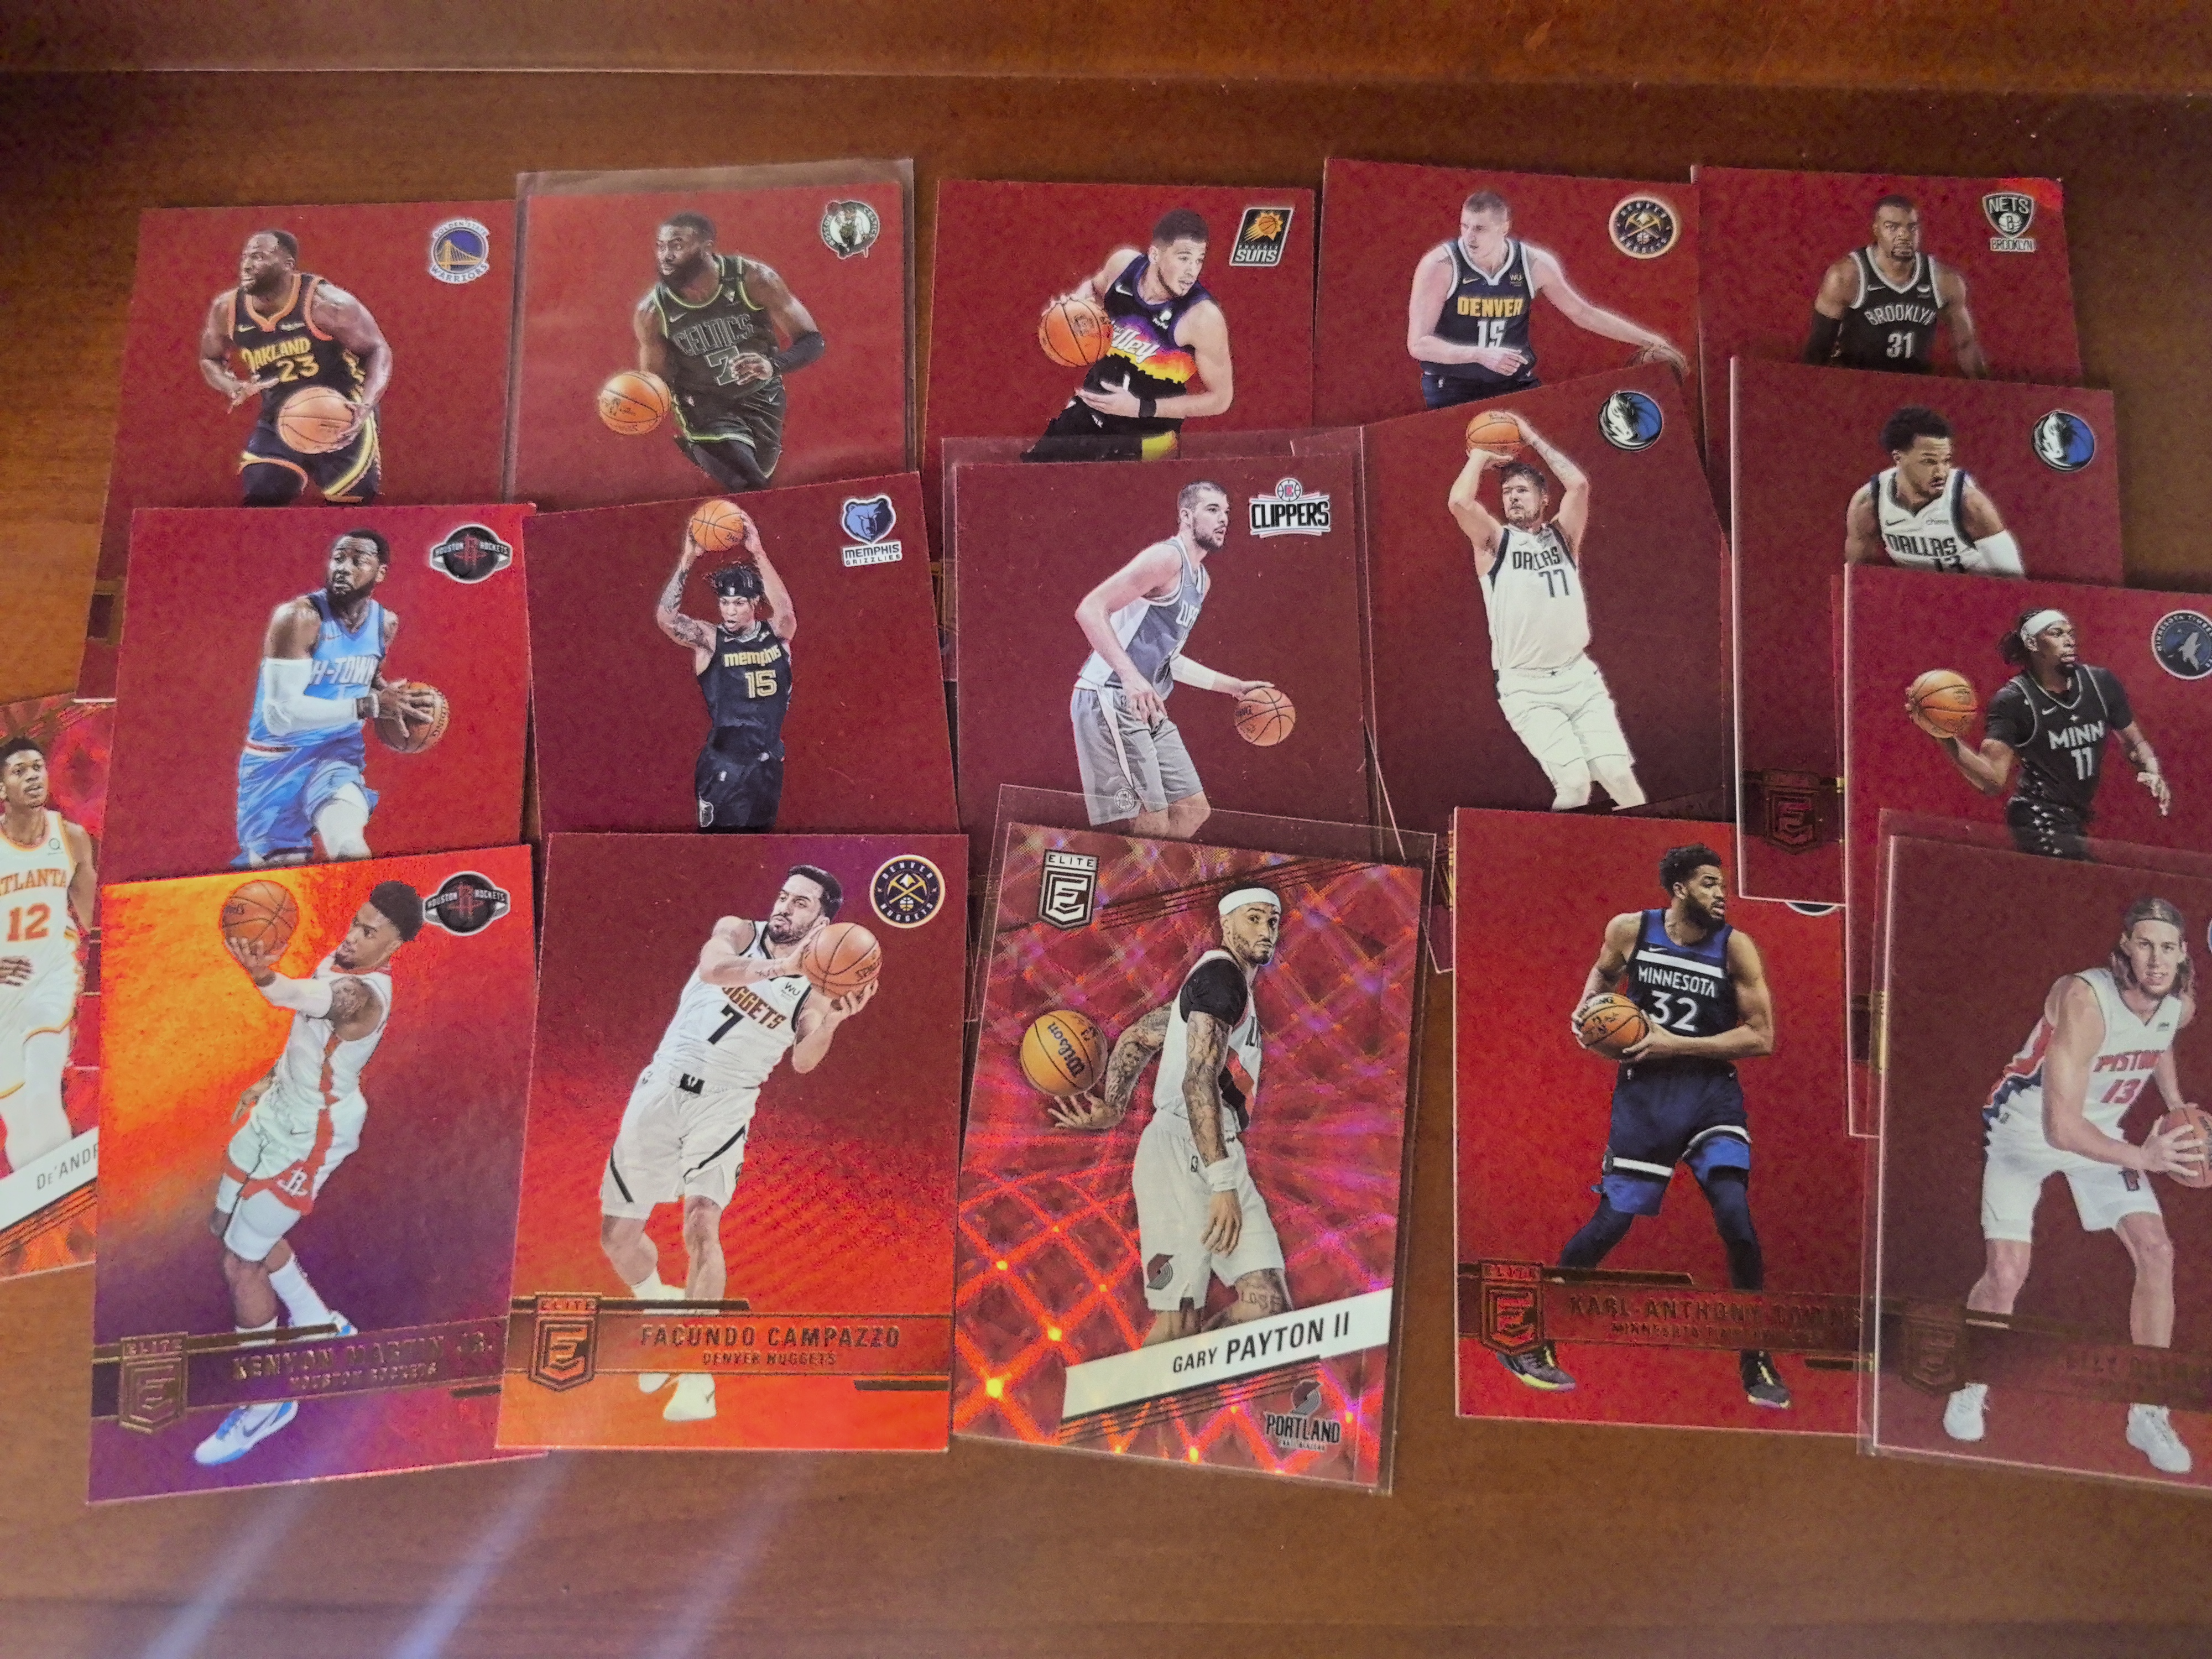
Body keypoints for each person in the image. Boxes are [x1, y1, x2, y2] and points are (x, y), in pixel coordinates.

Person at [1503, 844, 1788, 1407]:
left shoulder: (1735, 947)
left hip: (1709, 1095)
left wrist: (1674, 1044)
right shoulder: (1630, 930)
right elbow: (1603, 973)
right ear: (1679, 888)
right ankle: (1531, 1335)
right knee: (1612, 1222)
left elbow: (1761, 1036)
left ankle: (1756, 1355)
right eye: (1709, 883)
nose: (1721, 894)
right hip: (1646, 1099)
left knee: (1735, 1216)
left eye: (1722, 884)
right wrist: (1589, 1010)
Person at [598, 867, 874, 1423]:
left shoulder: (817, 985)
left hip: (724, 1104)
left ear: (824, 919)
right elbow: (712, 968)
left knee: (701, 1224)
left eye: (801, 903)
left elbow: (803, 1060)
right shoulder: (739, 931)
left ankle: (697, 1375)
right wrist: (780, 966)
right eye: (784, 896)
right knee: (616, 1238)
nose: (785, 907)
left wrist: (833, 1025)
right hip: (662, 1088)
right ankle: (661, 1305)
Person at [1944, 898, 2207, 1474]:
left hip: (2102, 1135)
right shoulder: (2085, 1000)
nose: (2156, 959)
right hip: (2024, 1134)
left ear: (2183, 954)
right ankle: (1970, 1378)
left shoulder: (2178, 1004)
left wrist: (2174, 1103)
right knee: (2006, 1273)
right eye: (2145, 944)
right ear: (2125, 947)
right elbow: (2060, 1129)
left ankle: (2147, 1409)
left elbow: (2161, 1035)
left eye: (2167, 948)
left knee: (2157, 1251)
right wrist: (2145, 1156)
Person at [192, 881, 422, 1465]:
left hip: (312, 1134)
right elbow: (304, 1038)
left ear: (394, 947)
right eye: (355, 922)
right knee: (224, 1222)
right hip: (278, 1110)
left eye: (369, 933)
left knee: (241, 1262)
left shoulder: (362, 996)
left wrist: (263, 975)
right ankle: (318, 1321)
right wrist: (268, 1079)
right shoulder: (340, 958)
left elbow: (301, 998)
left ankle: (268, 1404)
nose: (353, 937)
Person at [1051, 888, 1290, 1347]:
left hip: (1217, 1148)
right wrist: (1222, 1183)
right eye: (1254, 918)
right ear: (1226, 924)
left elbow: (1140, 1036)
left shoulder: (1223, 985)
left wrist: (1114, 1107)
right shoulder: (1221, 978)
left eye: (1273, 921)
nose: (1266, 930)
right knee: (1178, 1322)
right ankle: (1140, 1393)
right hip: (1183, 1154)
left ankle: (1183, 1382)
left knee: (1268, 1306)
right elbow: (1198, 1081)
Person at [1448, 417, 1645, 811]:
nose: (1513, 498)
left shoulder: (1564, 537)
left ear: (1543, 500)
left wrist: (1531, 437)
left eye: (1522, 490)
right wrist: (1481, 455)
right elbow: (1459, 503)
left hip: (1578, 676)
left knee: (1619, 776)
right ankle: (1563, 849)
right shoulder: (1495, 543)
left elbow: (1579, 485)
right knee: (1574, 786)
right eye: (1507, 492)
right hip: (1527, 687)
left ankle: (1654, 843)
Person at [1069, 481, 1272, 839]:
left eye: (1227, 512)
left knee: (1193, 811)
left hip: (1147, 703)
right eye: (1212, 510)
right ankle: (1129, 876)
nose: (1224, 519)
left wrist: (1235, 687)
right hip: (1109, 695)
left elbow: (1170, 660)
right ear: (1186, 516)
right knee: (1151, 822)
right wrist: (1131, 677)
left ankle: (1151, 873)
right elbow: (1090, 609)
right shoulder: (1166, 558)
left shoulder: (1201, 581)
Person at [234, 529, 438, 868]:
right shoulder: (298, 618)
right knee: (281, 879)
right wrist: (371, 706)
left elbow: (365, 679)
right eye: (338, 558)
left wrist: (391, 697)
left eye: (358, 561)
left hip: (335, 752)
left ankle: (363, 893)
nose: (343, 567)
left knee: (347, 841)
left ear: (380, 573)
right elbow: (280, 716)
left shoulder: (384, 623)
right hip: (275, 759)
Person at [1406, 190, 1687, 409]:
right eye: (1464, 226)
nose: (1469, 237)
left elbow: (1582, 313)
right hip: (1454, 384)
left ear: (1504, 228)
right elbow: (1418, 344)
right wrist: (1479, 354)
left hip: (1514, 382)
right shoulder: (1440, 266)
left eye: (1479, 229)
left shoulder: (1534, 263)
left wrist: (1650, 340)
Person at [1923, 609, 2169, 859]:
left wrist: (2152, 768)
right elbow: (1993, 780)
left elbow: (2134, 742)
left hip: (2075, 816)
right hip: (2036, 815)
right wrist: (1945, 737)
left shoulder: (2100, 683)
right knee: (2081, 877)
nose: (2069, 641)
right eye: (2057, 634)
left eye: (2071, 633)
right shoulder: (2014, 701)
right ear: (2032, 643)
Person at [1025, 208, 1234, 462]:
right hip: (1088, 413)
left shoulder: (1202, 318)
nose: (1192, 271)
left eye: (1199, 260)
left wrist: (1141, 408)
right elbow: (1093, 288)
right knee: (1030, 479)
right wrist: (1073, 309)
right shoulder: (1123, 266)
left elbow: (1221, 399)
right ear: (1155, 254)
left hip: (1147, 439)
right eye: (1184, 258)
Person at [637, 212, 825, 492]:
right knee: (748, 483)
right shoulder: (653, 311)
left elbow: (812, 342)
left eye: (677, 245)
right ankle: (701, 447)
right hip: (704, 408)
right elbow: (655, 382)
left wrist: (772, 366)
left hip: (764, 401)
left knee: (758, 485)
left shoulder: (754, 279)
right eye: (661, 246)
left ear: (706, 247)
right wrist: (635, 404)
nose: (666, 256)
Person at [199, 229, 389, 507]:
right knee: (262, 491)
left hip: (341, 409)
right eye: (245, 257)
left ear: (287, 264)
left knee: (351, 501)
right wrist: (232, 385)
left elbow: (377, 350)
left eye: (259, 257)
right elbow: (210, 359)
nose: (247, 265)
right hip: (280, 413)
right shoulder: (226, 309)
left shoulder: (327, 304)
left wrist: (367, 405)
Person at [654, 510, 797, 832]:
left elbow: (786, 612)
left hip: (768, 763)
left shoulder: (777, 635)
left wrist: (757, 552)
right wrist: (687, 560)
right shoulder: (710, 640)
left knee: (760, 844)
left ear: (755, 602)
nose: (730, 611)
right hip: (726, 766)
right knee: (721, 847)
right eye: (725, 603)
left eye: (739, 603)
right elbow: (667, 619)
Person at [0, 738, 96, 1177]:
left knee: (43, 1089)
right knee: (18, 1116)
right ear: (2, 788)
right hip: (4, 993)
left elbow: (95, 918)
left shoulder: (70, 838)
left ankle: (66, 1189)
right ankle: (40, 1200)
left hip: (52, 977)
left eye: (37, 767)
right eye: (19, 771)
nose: (32, 777)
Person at [1804, 195, 1987, 376]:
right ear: (1876, 230)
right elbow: (1818, 349)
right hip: (1858, 381)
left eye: (1912, 227)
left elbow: (1966, 345)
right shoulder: (1846, 277)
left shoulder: (1944, 280)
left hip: (1914, 383)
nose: (1904, 235)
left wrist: (1983, 387)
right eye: (1892, 227)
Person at [1844, 406, 2023, 575]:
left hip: (1974, 591)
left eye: (1946, 461)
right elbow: (1857, 578)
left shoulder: (1970, 504)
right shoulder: (1868, 503)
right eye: (1929, 462)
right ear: (1898, 458)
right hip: (1917, 591)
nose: (1941, 472)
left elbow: (2015, 581)